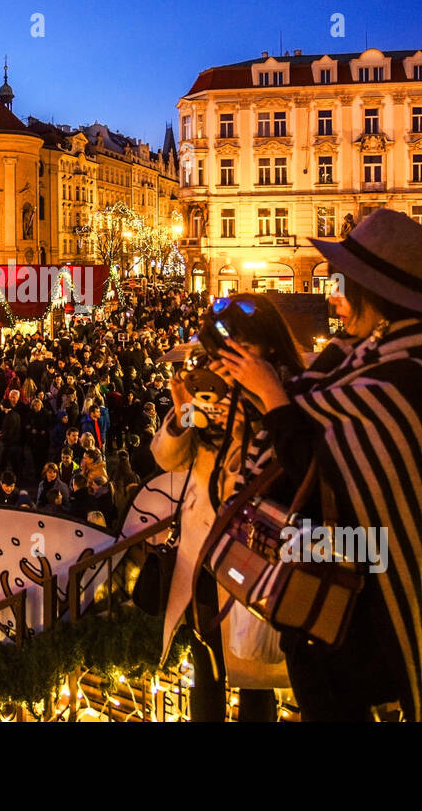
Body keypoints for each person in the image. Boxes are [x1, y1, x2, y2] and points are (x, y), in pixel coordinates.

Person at [217, 209, 422, 721]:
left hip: (350, 606)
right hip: (323, 590)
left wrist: (273, 397)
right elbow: (316, 424)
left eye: (343, 284)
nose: (332, 295)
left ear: (376, 295)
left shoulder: (412, 376)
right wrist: (264, 400)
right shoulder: (363, 357)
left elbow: (320, 471)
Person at [152, 291, 306, 723]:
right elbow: (166, 458)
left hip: (259, 555)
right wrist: (185, 414)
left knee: (255, 673)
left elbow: (292, 474)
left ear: (267, 345)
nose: (225, 361)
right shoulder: (213, 393)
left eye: (238, 349)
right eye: (220, 351)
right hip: (206, 550)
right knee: (207, 665)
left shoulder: (289, 396)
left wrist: (253, 418)